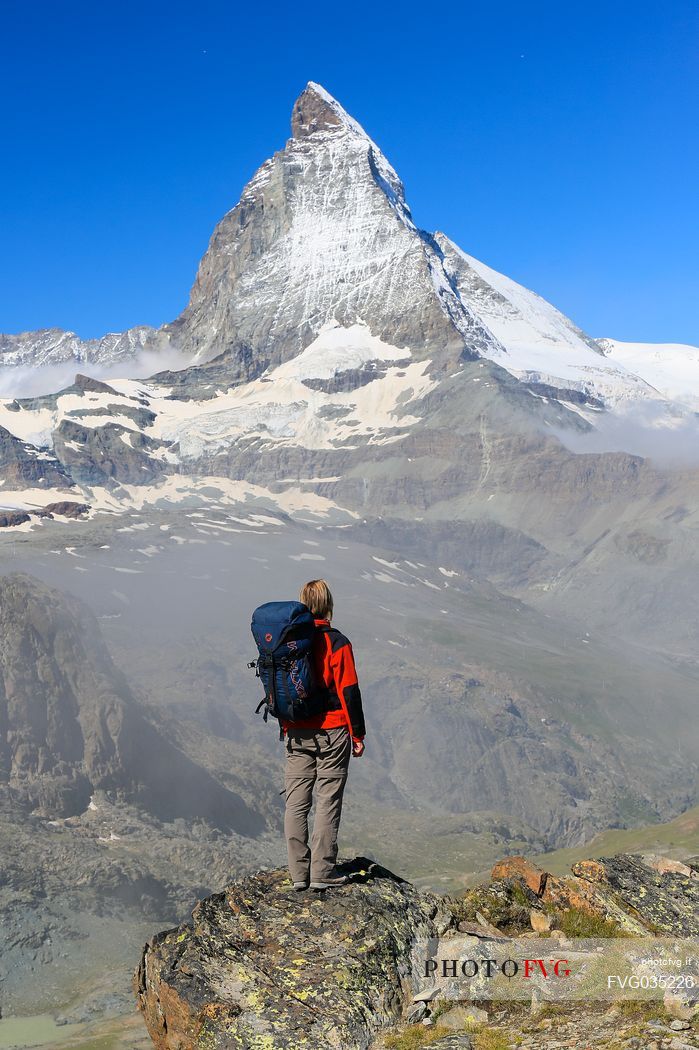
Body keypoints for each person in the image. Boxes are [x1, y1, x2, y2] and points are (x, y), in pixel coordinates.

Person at [282, 579, 365, 891]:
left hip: (296, 731)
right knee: (327, 800)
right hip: (332, 730)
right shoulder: (337, 642)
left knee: (296, 802)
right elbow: (349, 691)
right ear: (328, 604)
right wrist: (357, 734)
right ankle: (322, 873)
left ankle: (297, 873)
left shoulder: (288, 641)